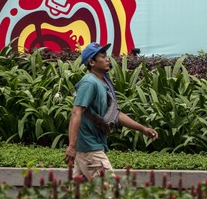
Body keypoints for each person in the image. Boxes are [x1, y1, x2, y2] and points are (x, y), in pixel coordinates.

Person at [64, 42, 159, 181]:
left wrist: (142, 129)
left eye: (106, 56)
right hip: (90, 149)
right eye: (102, 56)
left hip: (90, 149)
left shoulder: (103, 83)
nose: (107, 59)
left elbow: (115, 115)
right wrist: (71, 145)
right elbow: (76, 112)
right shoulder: (89, 83)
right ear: (91, 62)